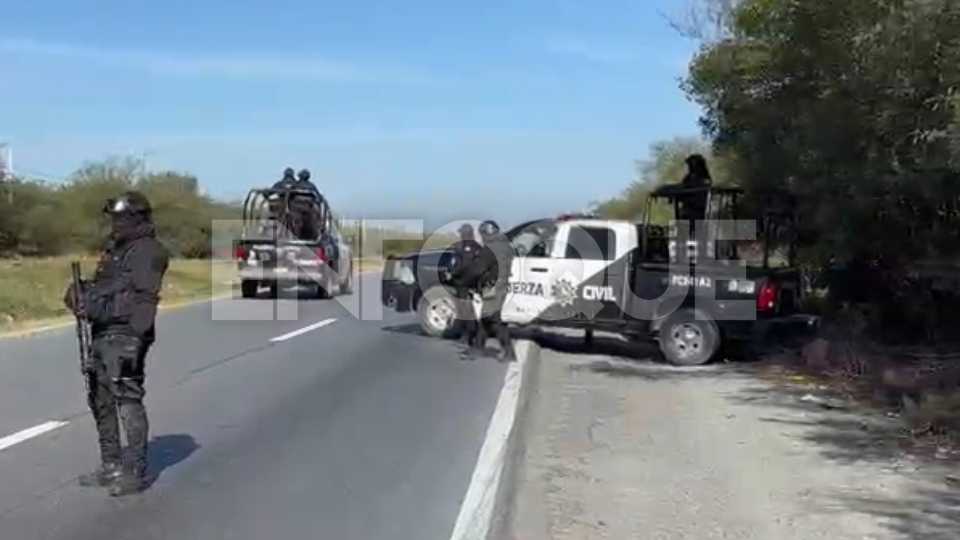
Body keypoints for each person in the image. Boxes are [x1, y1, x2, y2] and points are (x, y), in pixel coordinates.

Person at [64, 192, 170, 497]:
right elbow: (107, 287)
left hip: (125, 336)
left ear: (137, 218)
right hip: (101, 332)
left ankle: (135, 470)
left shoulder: (149, 251)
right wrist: (82, 296)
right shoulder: (117, 248)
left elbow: (142, 300)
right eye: (114, 218)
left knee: (127, 398)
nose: (115, 224)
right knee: (99, 398)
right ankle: (110, 464)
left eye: (121, 218)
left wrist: (133, 339)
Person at [477, 220, 516, 361]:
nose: (481, 238)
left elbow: (480, 269)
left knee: (493, 319)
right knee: (486, 317)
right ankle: (478, 347)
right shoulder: (506, 246)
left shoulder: (489, 249)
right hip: (502, 284)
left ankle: (509, 352)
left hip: (493, 286)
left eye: (482, 234)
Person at [449, 224, 484, 358]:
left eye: (462, 233)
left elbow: (457, 266)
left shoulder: (461, 247)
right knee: (470, 313)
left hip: (464, 285)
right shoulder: (478, 248)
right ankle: (468, 338)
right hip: (473, 286)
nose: (460, 235)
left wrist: (452, 273)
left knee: (468, 313)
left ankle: (471, 341)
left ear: (465, 234)